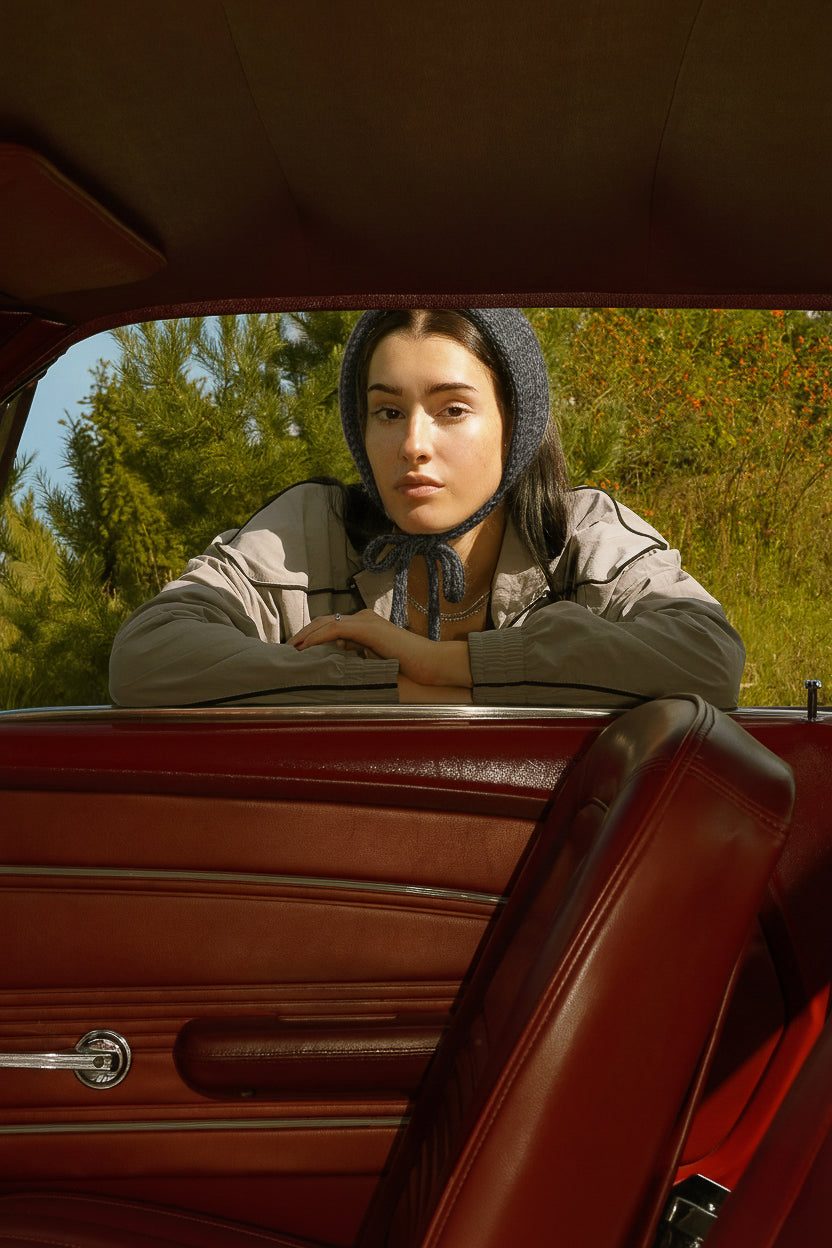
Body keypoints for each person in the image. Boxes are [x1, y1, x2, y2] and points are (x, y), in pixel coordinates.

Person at [108, 308, 745, 708]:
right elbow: (148, 656)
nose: (413, 444)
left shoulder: (578, 531)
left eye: (452, 410)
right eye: (388, 412)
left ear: (515, 423)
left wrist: (441, 662)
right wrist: (392, 690)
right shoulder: (311, 529)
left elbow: (705, 656)